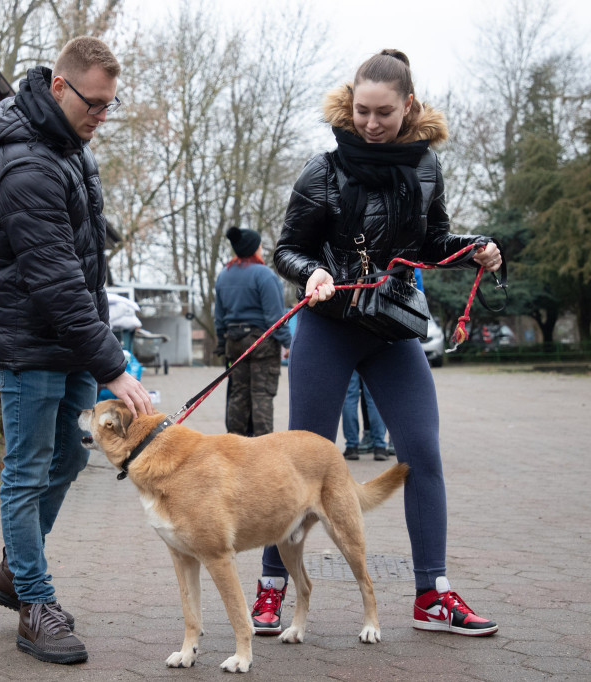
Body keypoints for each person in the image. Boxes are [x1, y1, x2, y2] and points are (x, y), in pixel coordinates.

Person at [250, 50, 503, 637]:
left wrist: (476, 247)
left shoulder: (426, 168)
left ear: (407, 106)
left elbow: (433, 240)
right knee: (300, 464)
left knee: (423, 453)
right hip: (327, 327)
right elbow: (288, 248)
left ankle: (432, 596)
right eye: (361, 110)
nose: (369, 122)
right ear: (350, 102)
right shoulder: (323, 170)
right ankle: (271, 586)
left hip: (391, 329)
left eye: (383, 112)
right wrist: (309, 273)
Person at [0, 36, 153, 665]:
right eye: (93, 104)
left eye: (109, 106)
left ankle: (12, 573)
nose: (100, 117)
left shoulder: (70, 150)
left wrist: (97, 354)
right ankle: (34, 604)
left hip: (70, 343)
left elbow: (84, 269)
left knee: (70, 462)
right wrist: (114, 366)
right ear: (58, 86)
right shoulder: (27, 164)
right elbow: (53, 278)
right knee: (25, 472)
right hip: (29, 348)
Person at [214, 226, 291, 437]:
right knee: (262, 394)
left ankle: (234, 443)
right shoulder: (265, 275)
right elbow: (275, 318)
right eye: (259, 246)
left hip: (234, 343)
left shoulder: (224, 275)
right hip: (261, 343)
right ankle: (263, 446)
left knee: (238, 393)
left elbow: (219, 316)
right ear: (253, 249)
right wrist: (288, 343)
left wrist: (222, 342)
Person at [341, 372, 387, 460]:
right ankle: (379, 447)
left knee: (350, 396)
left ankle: (351, 447)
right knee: (374, 396)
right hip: (373, 358)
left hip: (346, 358)